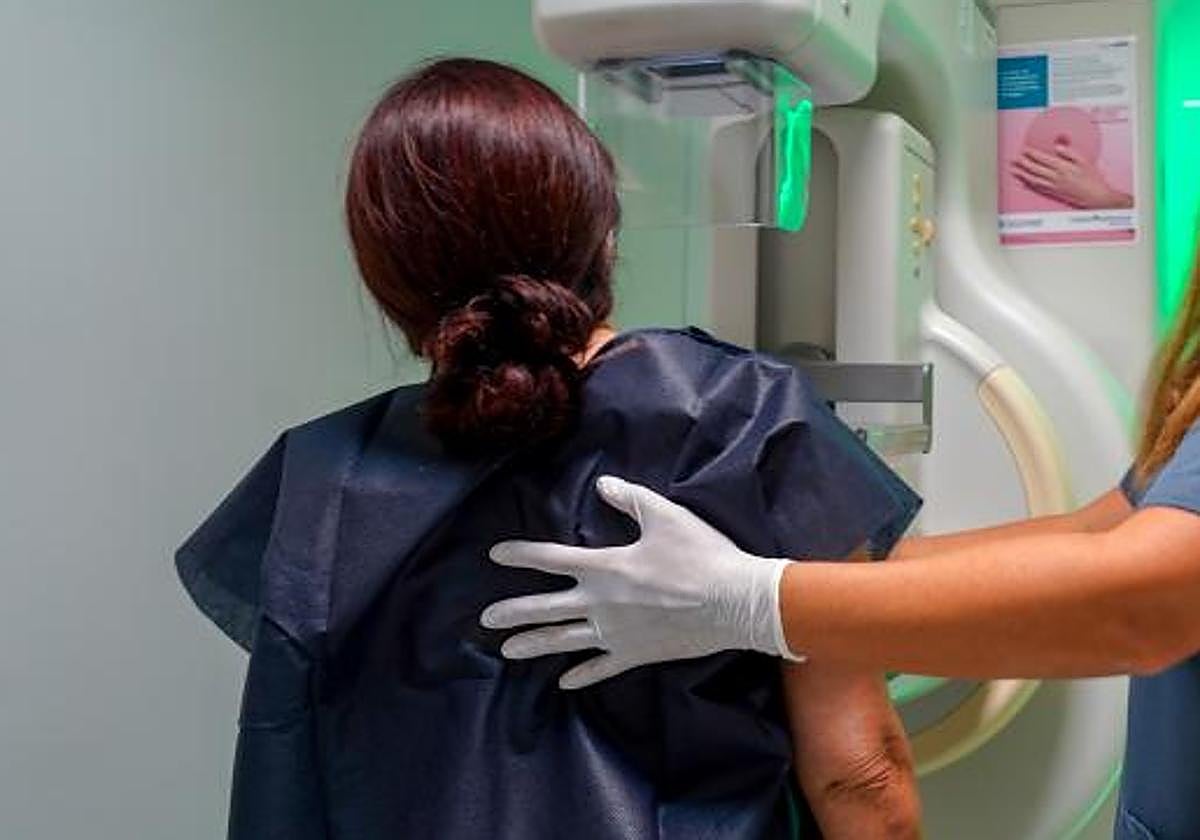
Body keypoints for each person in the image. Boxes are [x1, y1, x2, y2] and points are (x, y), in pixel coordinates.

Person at [177, 58, 926, 839]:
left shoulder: (318, 481)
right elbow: (860, 774)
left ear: (385, 273)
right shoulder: (739, 417)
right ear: (601, 236)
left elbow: (290, 780)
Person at [483, 243, 1200, 839]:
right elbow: (1102, 529)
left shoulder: (374, 466)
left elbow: (1142, 601)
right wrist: (811, 557)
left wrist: (755, 600)